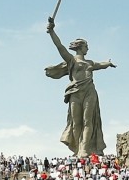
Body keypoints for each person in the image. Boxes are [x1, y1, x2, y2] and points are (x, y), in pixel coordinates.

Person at [44, 16, 116, 158]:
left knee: (88, 121)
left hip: (89, 92)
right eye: (86, 46)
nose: (88, 48)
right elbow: (60, 46)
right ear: (80, 47)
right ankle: (77, 148)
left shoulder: (90, 63)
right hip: (75, 92)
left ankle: (84, 149)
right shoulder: (71, 60)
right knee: (76, 122)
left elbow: (101, 65)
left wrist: (108, 63)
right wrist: (52, 31)